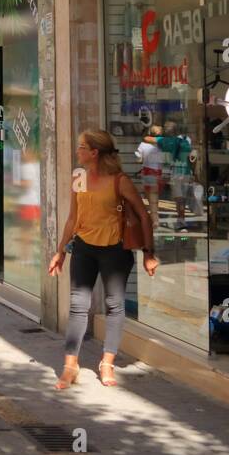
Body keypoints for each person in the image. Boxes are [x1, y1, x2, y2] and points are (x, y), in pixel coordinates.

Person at [49, 129, 157, 390]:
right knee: (77, 305)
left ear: (94, 152)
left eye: (81, 147)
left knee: (115, 306)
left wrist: (149, 254)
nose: (77, 151)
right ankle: (70, 365)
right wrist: (60, 251)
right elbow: (73, 218)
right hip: (84, 248)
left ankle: (107, 363)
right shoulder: (80, 177)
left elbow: (144, 216)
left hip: (115, 250)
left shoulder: (119, 181)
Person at [157, 121, 193, 230]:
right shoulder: (186, 140)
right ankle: (181, 219)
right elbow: (191, 158)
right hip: (185, 172)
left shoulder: (165, 142)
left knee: (179, 199)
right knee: (182, 199)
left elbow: (165, 160)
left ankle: (181, 221)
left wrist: (165, 173)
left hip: (175, 173)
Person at [135, 125, 163, 230]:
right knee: (154, 196)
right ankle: (154, 218)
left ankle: (153, 218)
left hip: (147, 171)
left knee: (149, 196)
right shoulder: (162, 145)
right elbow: (166, 159)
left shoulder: (143, 145)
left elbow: (138, 159)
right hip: (158, 172)